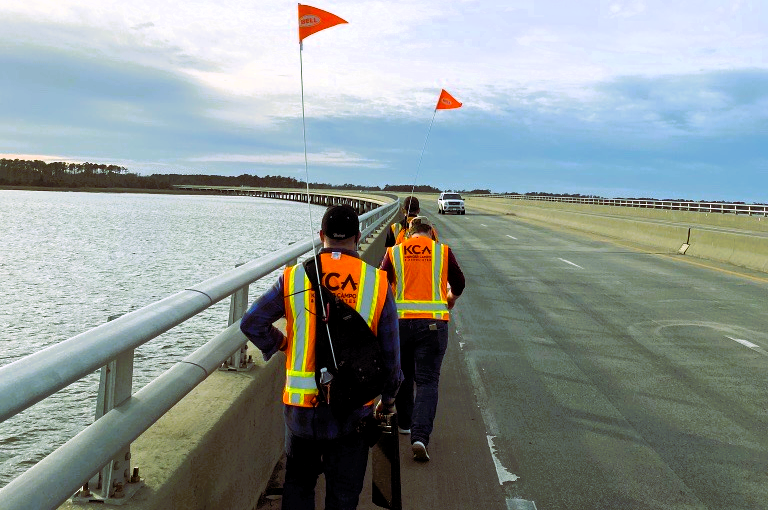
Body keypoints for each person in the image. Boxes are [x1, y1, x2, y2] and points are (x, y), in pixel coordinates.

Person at [240, 204, 402, 510]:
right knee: (343, 495)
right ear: (357, 237)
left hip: (302, 409)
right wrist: (389, 402)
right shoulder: (378, 283)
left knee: (299, 486)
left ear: (320, 235)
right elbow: (391, 359)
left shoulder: (293, 278)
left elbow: (251, 322)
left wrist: (284, 344)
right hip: (353, 409)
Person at [379, 215, 465, 462]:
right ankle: (420, 438)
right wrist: (450, 300)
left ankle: (404, 424)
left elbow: (380, 283)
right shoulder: (442, 252)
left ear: (409, 233)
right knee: (428, 381)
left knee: (404, 373)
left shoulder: (395, 252)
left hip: (401, 324)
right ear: (431, 232)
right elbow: (459, 283)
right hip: (434, 325)